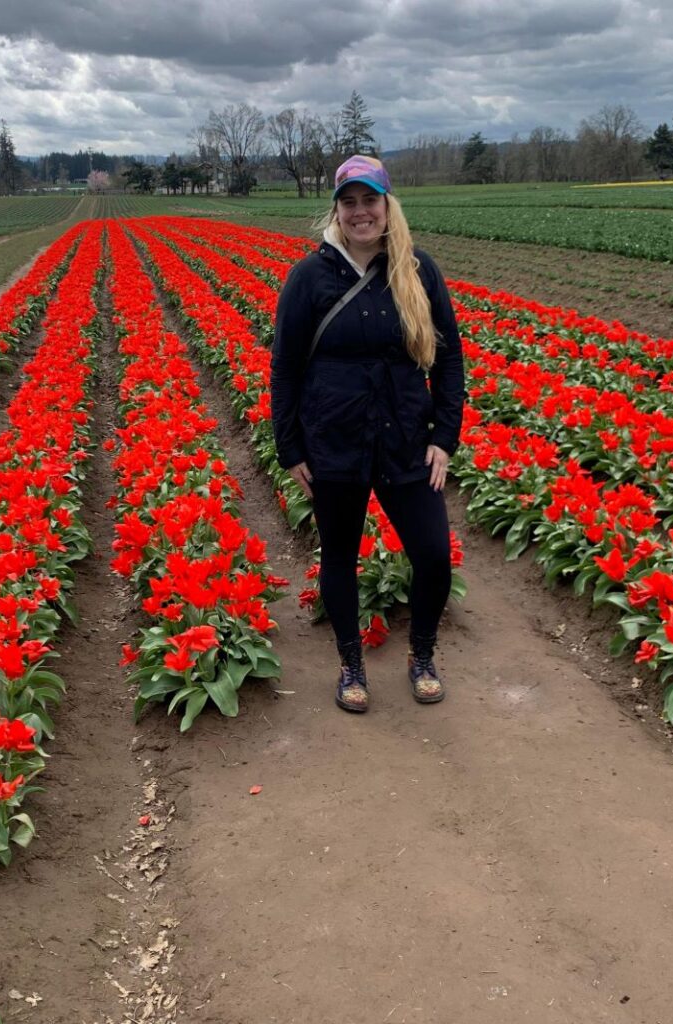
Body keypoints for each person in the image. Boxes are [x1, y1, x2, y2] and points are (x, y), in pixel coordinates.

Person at [270, 154, 465, 713]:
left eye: (370, 200)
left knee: (433, 557)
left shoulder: (418, 270)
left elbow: (448, 362)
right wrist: (290, 449)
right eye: (349, 202)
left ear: (387, 206)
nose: (361, 212)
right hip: (335, 442)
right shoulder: (309, 277)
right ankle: (351, 663)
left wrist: (443, 437)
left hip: (406, 438)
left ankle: (421, 654)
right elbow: (284, 367)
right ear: (337, 209)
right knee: (339, 556)